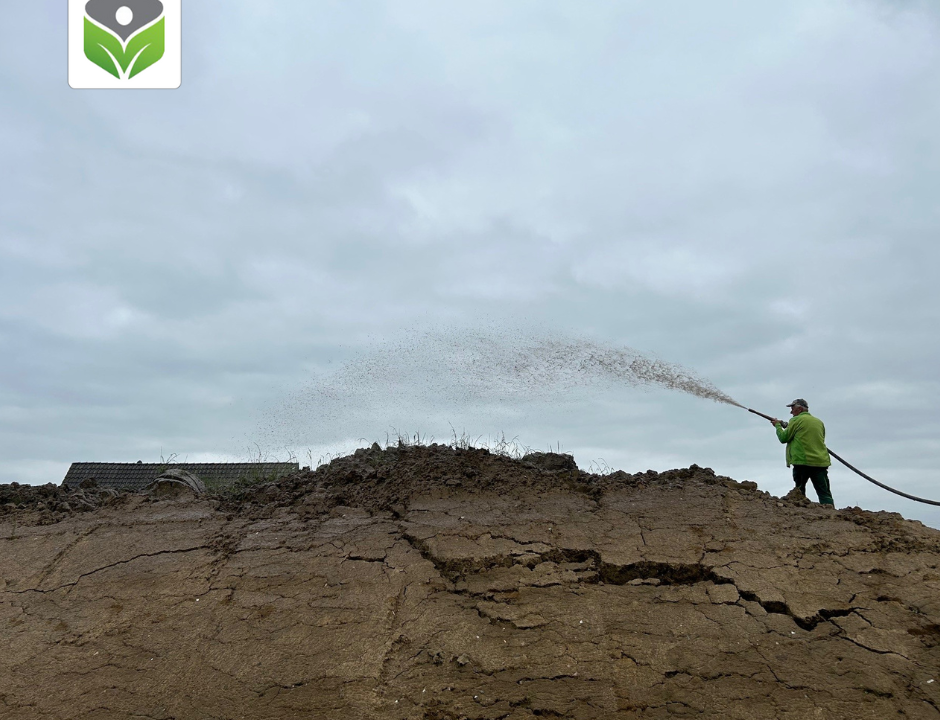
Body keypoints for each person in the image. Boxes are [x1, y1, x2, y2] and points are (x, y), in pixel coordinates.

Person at [768, 399, 834, 507]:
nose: (791, 412)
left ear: (799, 409)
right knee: (824, 493)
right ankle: (832, 515)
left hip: (802, 461)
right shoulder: (819, 422)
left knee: (798, 492)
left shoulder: (796, 420)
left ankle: (801, 516)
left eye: (792, 409)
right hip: (820, 462)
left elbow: (784, 438)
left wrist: (777, 426)